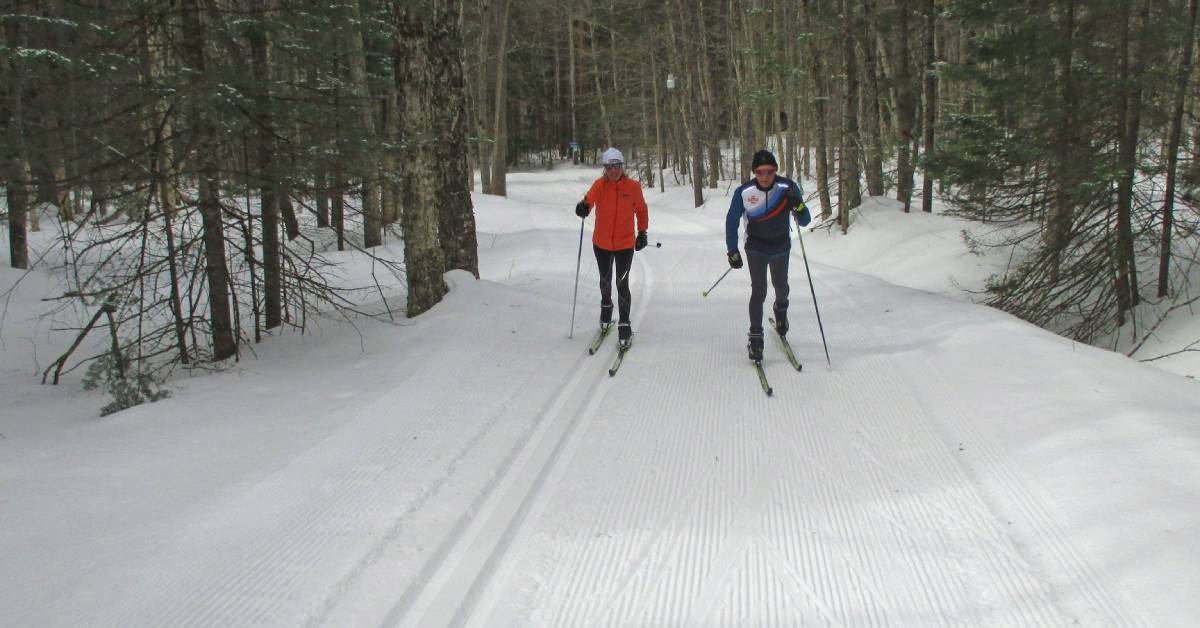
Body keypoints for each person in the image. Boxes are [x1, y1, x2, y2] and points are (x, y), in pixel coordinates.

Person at [725, 149, 811, 362]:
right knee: (759, 290)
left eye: (770, 171)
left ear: (775, 171)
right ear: (754, 171)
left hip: (780, 245)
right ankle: (755, 336)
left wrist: (797, 204)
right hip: (756, 247)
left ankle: (781, 310)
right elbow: (731, 220)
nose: (765, 176)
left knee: (781, 286)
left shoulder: (787, 188)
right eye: (761, 172)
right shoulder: (744, 192)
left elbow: (805, 220)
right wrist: (732, 250)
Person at [575, 147, 650, 347]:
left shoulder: (633, 187)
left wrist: (642, 232)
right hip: (602, 244)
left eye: (617, 166)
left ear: (622, 167)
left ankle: (624, 326)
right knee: (605, 281)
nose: (614, 170)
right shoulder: (600, 185)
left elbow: (641, 210)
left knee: (622, 283)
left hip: (625, 244)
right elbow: (588, 201)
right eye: (610, 167)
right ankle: (606, 309)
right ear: (605, 169)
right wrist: (583, 207)